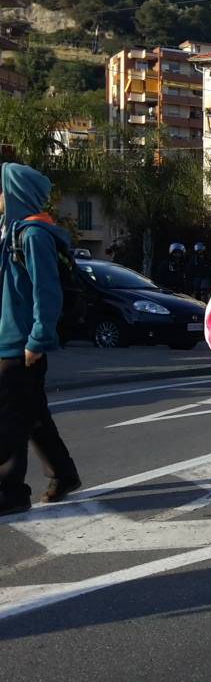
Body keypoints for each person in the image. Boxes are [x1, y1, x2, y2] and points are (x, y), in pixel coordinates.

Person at [0, 163, 81, 516]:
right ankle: (63, 474)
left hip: (19, 346)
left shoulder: (32, 236)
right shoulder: (12, 232)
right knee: (32, 415)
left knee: (8, 421)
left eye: (2, 191)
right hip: (11, 341)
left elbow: (46, 294)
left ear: (15, 193)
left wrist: (37, 339)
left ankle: (10, 492)